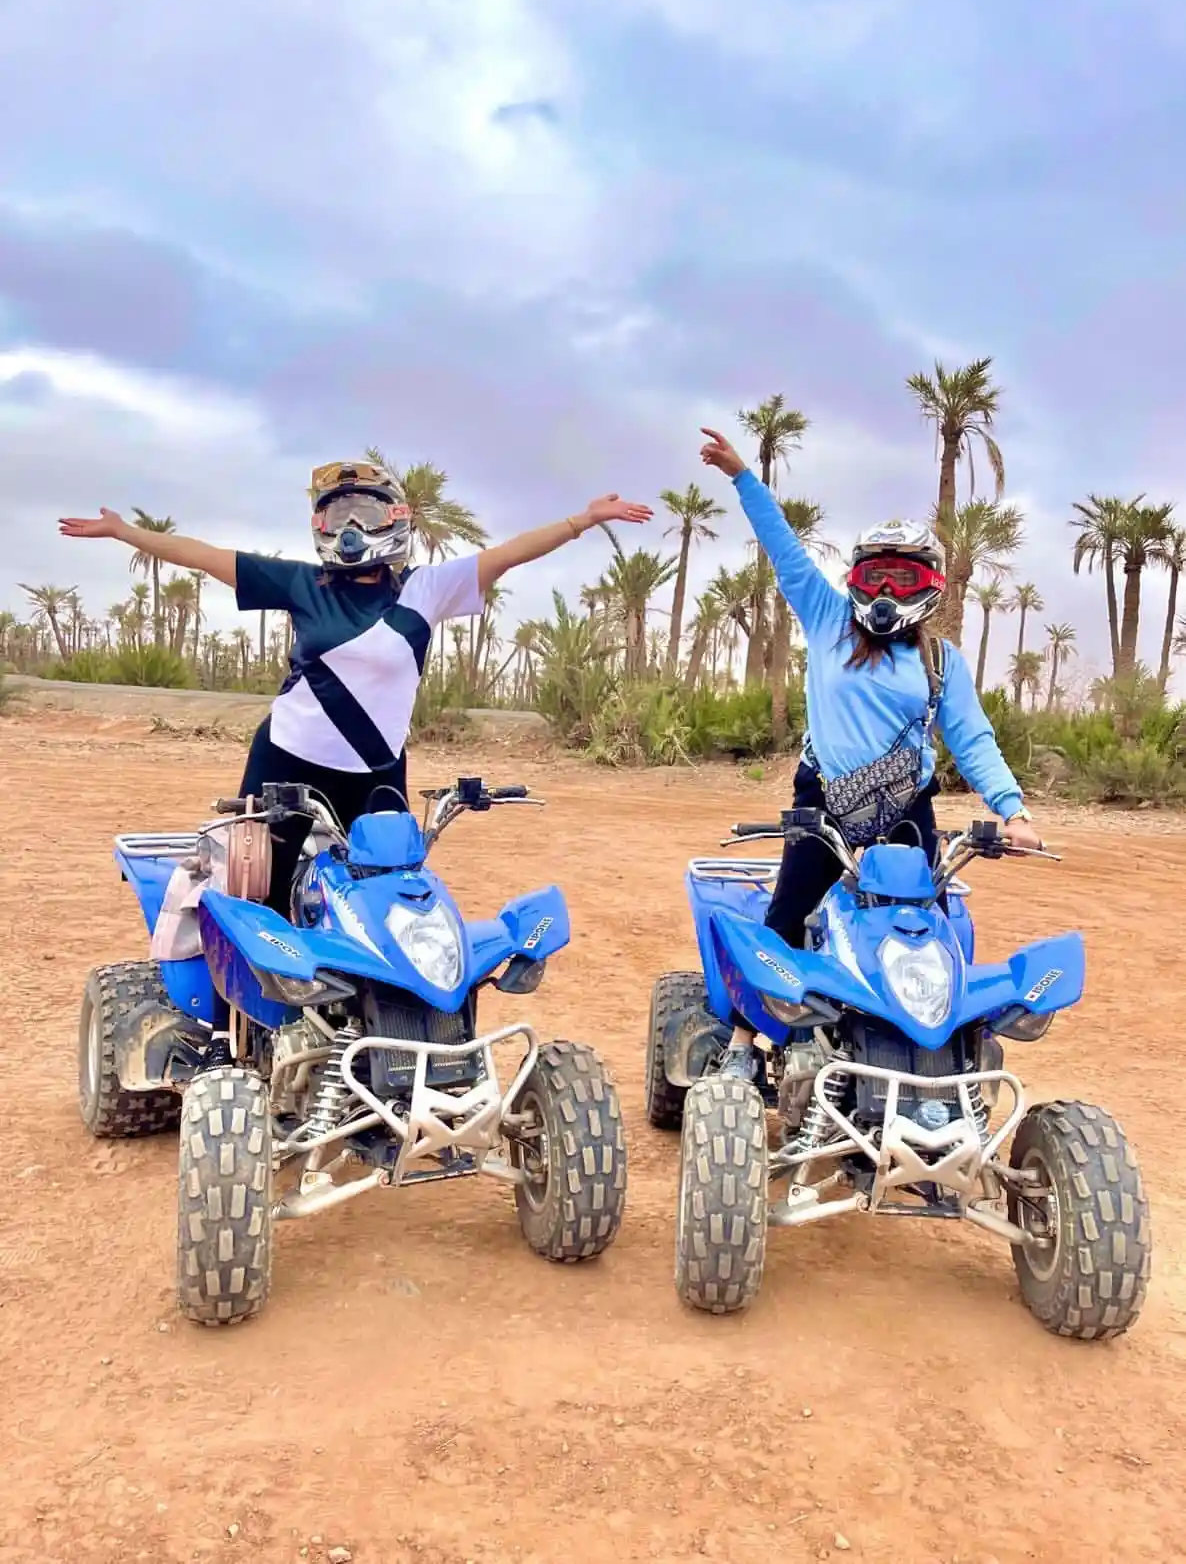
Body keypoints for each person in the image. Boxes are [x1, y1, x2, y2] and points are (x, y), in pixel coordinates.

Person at [61, 458, 651, 914]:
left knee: (385, 896)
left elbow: (508, 555)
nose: (350, 529)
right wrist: (125, 532)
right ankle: (230, 1033)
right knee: (253, 890)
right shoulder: (301, 584)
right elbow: (201, 555)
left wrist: (582, 520)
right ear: (318, 525)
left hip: (377, 771)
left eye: (365, 516)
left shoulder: (425, 590)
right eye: (337, 516)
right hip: (286, 761)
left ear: (395, 520)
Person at [698, 427, 1041, 1083]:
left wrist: (1014, 810)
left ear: (929, 584)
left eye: (901, 575)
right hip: (823, 804)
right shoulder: (828, 619)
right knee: (788, 918)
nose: (884, 590)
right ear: (855, 580)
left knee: (924, 932)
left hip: (907, 813)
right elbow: (786, 552)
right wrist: (744, 475)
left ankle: (929, 1059)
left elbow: (972, 740)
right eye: (873, 575)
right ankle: (743, 1047)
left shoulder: (941, 661)